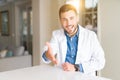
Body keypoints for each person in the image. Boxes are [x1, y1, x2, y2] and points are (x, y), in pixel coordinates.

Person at [42, 4, 105, 76]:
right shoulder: (56, 35)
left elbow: (100, 61)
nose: (68, 23)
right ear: (60, 20)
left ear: (77, 18)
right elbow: (49, 54)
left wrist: (76, 67)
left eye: (71, 18)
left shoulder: (90, 36)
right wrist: (48, 55)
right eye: (64, 19)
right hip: (63, 77)